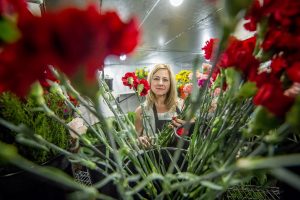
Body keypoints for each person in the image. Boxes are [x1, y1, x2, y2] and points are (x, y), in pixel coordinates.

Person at [135, 64, 186, 147]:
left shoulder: (181, 105)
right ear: (150, 81)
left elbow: (193, 132)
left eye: (165, 80)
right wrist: (139, 141)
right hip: (153, 158)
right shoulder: (141, 111)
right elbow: (135, 139)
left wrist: (186, 126)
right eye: (156, 79)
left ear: (170, 84)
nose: (160, 83)